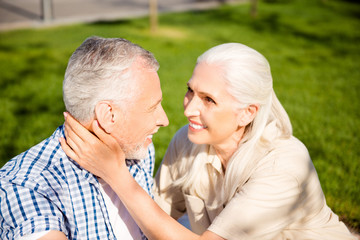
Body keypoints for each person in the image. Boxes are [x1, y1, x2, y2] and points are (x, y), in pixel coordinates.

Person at [61, 43, 356, 240]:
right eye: (191, 90)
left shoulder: (284, 166)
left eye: (209, 100)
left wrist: (117, 175)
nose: (189, 109)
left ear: (246, 113)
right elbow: (151, 220)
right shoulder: (187, 143)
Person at [0, 36, 169, 239]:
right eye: (152, 108)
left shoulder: (138, 150)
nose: (164, 119)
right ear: (109, 116)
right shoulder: (28, 185)